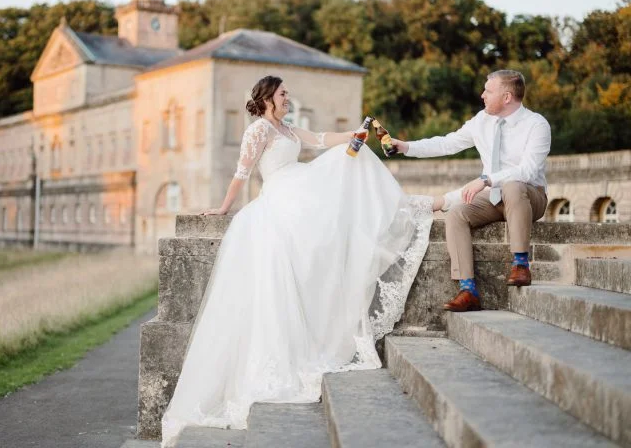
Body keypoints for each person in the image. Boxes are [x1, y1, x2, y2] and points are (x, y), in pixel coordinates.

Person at [161, 76, 433, 447]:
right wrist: (224, 208)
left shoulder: (286, 128)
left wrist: (355, 134)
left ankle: (405, 204)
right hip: (280, 196)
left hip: (299, 187)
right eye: (283, 94)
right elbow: (243, 172)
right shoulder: (258, 130)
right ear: (268, 98)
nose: (288, 98)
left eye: (287, 93)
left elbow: (321, 140)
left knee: (354, 156)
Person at [390, 69, 551, 312]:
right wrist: (406, 147)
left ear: (507, 97)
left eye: (489, 90)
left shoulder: (536, 124)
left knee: (514, 185)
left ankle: (520, 264)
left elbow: (527, 171)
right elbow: (447, 142)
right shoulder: (481, 121)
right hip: (494, 197)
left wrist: (486, 179)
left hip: (529, 197)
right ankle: (468, 290)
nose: (482, 95)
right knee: (456, 213)